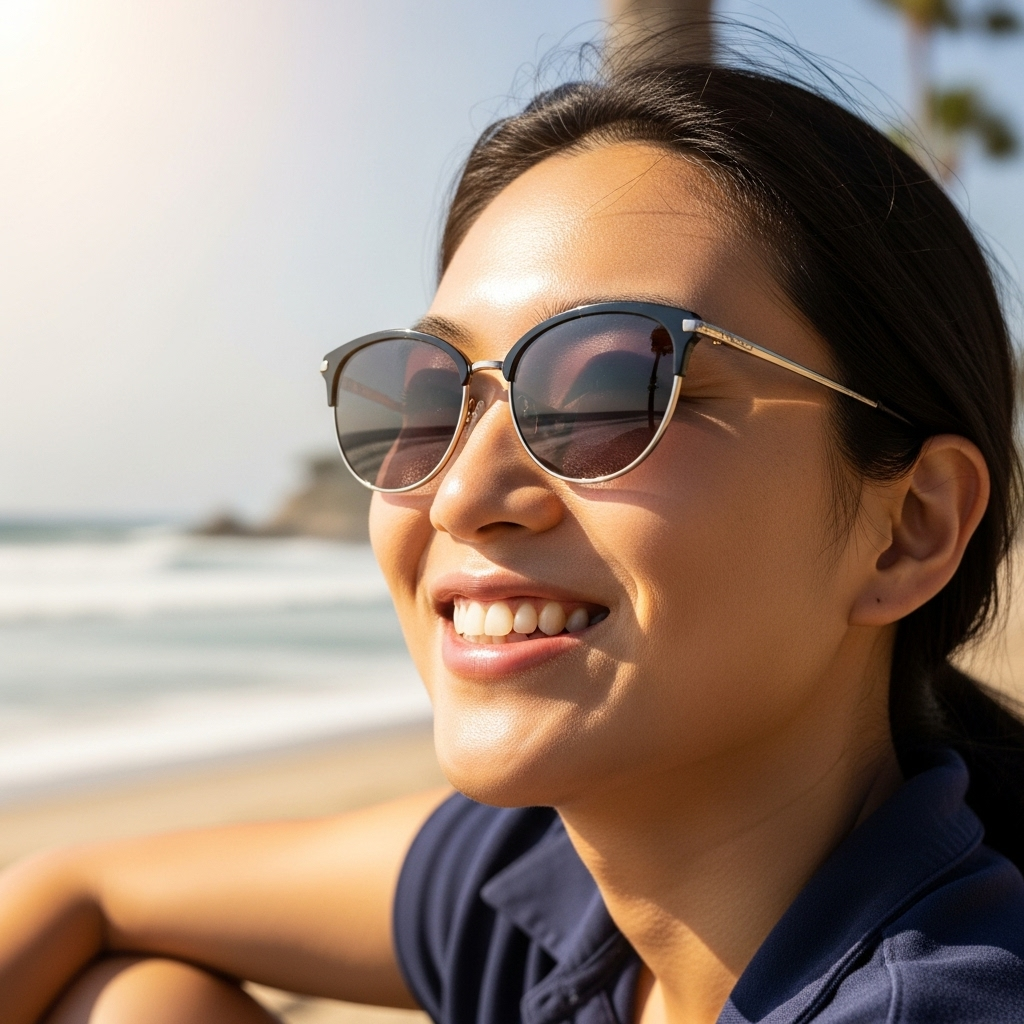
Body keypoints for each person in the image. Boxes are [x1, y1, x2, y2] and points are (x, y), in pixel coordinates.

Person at [3, 50, 1024, 1024]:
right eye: (425, 396)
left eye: (613, 386)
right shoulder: (546, 892)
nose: (460, 492)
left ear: (909, 528)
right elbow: (81, 882)